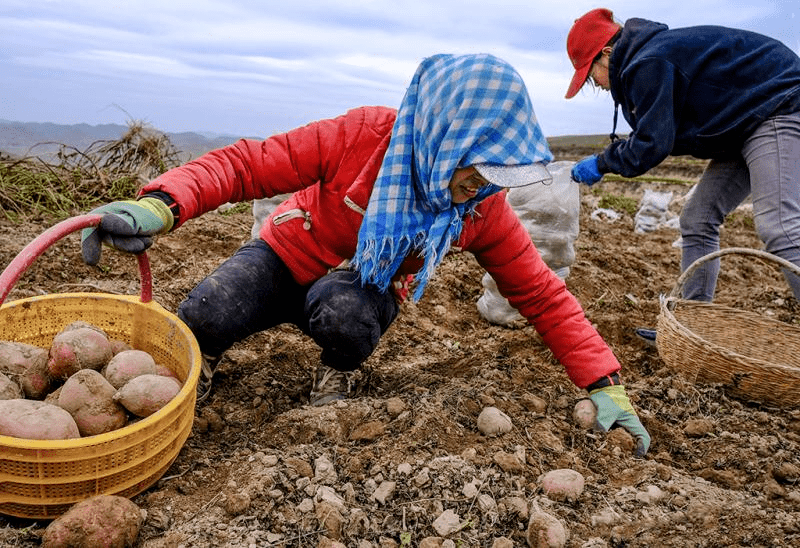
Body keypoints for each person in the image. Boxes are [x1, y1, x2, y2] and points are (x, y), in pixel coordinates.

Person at [80, 53, 650, 456]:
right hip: (289, 251)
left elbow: (540, 292)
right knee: (205, 309)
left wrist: (603, 382)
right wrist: (162, 202)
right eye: (475, 167)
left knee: (347, 318)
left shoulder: (480, 208)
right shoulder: (363, 137)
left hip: (360, 285)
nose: (481, 185)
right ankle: (201, 362)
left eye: (496, 172)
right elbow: (246, 166)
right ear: (442, 135)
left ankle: (337, 370)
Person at [564, 8, 800, 343]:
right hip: (743, 126)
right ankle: (690, 328)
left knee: (779, 226)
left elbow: (652, 144)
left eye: (591, 75)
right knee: (697, 219)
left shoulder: (650, 62)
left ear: (606, 53)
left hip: (779, 107)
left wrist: (601, 164)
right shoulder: (645, 60)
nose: (597, 85)